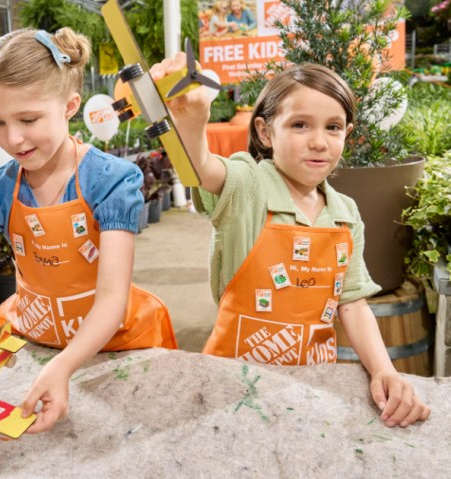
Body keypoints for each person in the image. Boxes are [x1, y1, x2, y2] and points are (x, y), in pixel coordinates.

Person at [0, 28, 177, 433]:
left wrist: (65, 366)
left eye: (28, 119)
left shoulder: (108, 182)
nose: (13, 138)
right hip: (35, 336)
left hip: (115, 343)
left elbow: (112, 299)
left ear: (69, 106)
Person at [152, 56, 431, 428]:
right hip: (229, 385)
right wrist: (192, 121)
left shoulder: (346, 213)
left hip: (312, 386)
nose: (318, 142)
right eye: (300, 125)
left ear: (347, 134)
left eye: (333, 127)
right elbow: (202, 167)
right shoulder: (249, 186)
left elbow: (352, 304)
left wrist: (384, 371)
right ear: (266, 133)